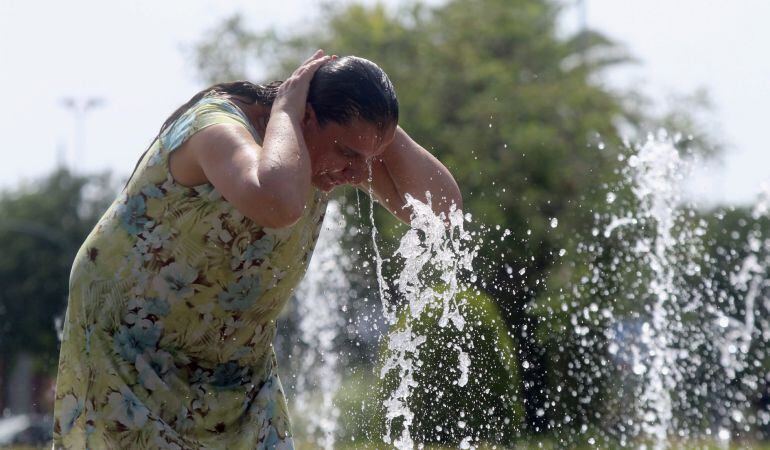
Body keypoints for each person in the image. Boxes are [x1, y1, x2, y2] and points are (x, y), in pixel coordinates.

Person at [52, 50, 462, 449]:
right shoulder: (215, 128)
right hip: (129, 348)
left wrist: (380, 130)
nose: (357, 171)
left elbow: (443, 209)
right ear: (306, 117)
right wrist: (286, 108)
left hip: (234, 360)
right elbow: (278, 202)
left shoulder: (329, 152)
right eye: (348, 153)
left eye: (367, 156)